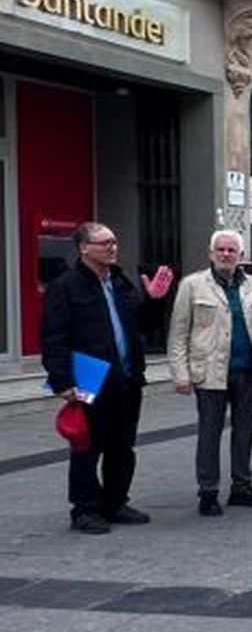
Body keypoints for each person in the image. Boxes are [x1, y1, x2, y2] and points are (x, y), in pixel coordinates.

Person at [41, 222, 173, 534]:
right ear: (84, 248)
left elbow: (143, 325)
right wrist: (62, 381)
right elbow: (53, 337)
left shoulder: (120, 281)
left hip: (126, 379)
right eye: (103, 243)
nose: (112, 248)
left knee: (122, 446)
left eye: (114, 241)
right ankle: (85, 509)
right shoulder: (66, 286)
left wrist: (154, 300)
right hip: (89, 378)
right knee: (88, 447)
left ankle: (115, 502)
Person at [167, 229, 252, 516]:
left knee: (245, 432)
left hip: (249, 371)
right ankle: (208, 491)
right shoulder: (193, 285)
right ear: (211, 253)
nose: (225, 254)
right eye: (220, 249)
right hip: (210, 372)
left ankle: (241, 486)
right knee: (209, 433)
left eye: (232, 250)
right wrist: (180, 373)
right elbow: (178, 333)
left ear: (241, 256)